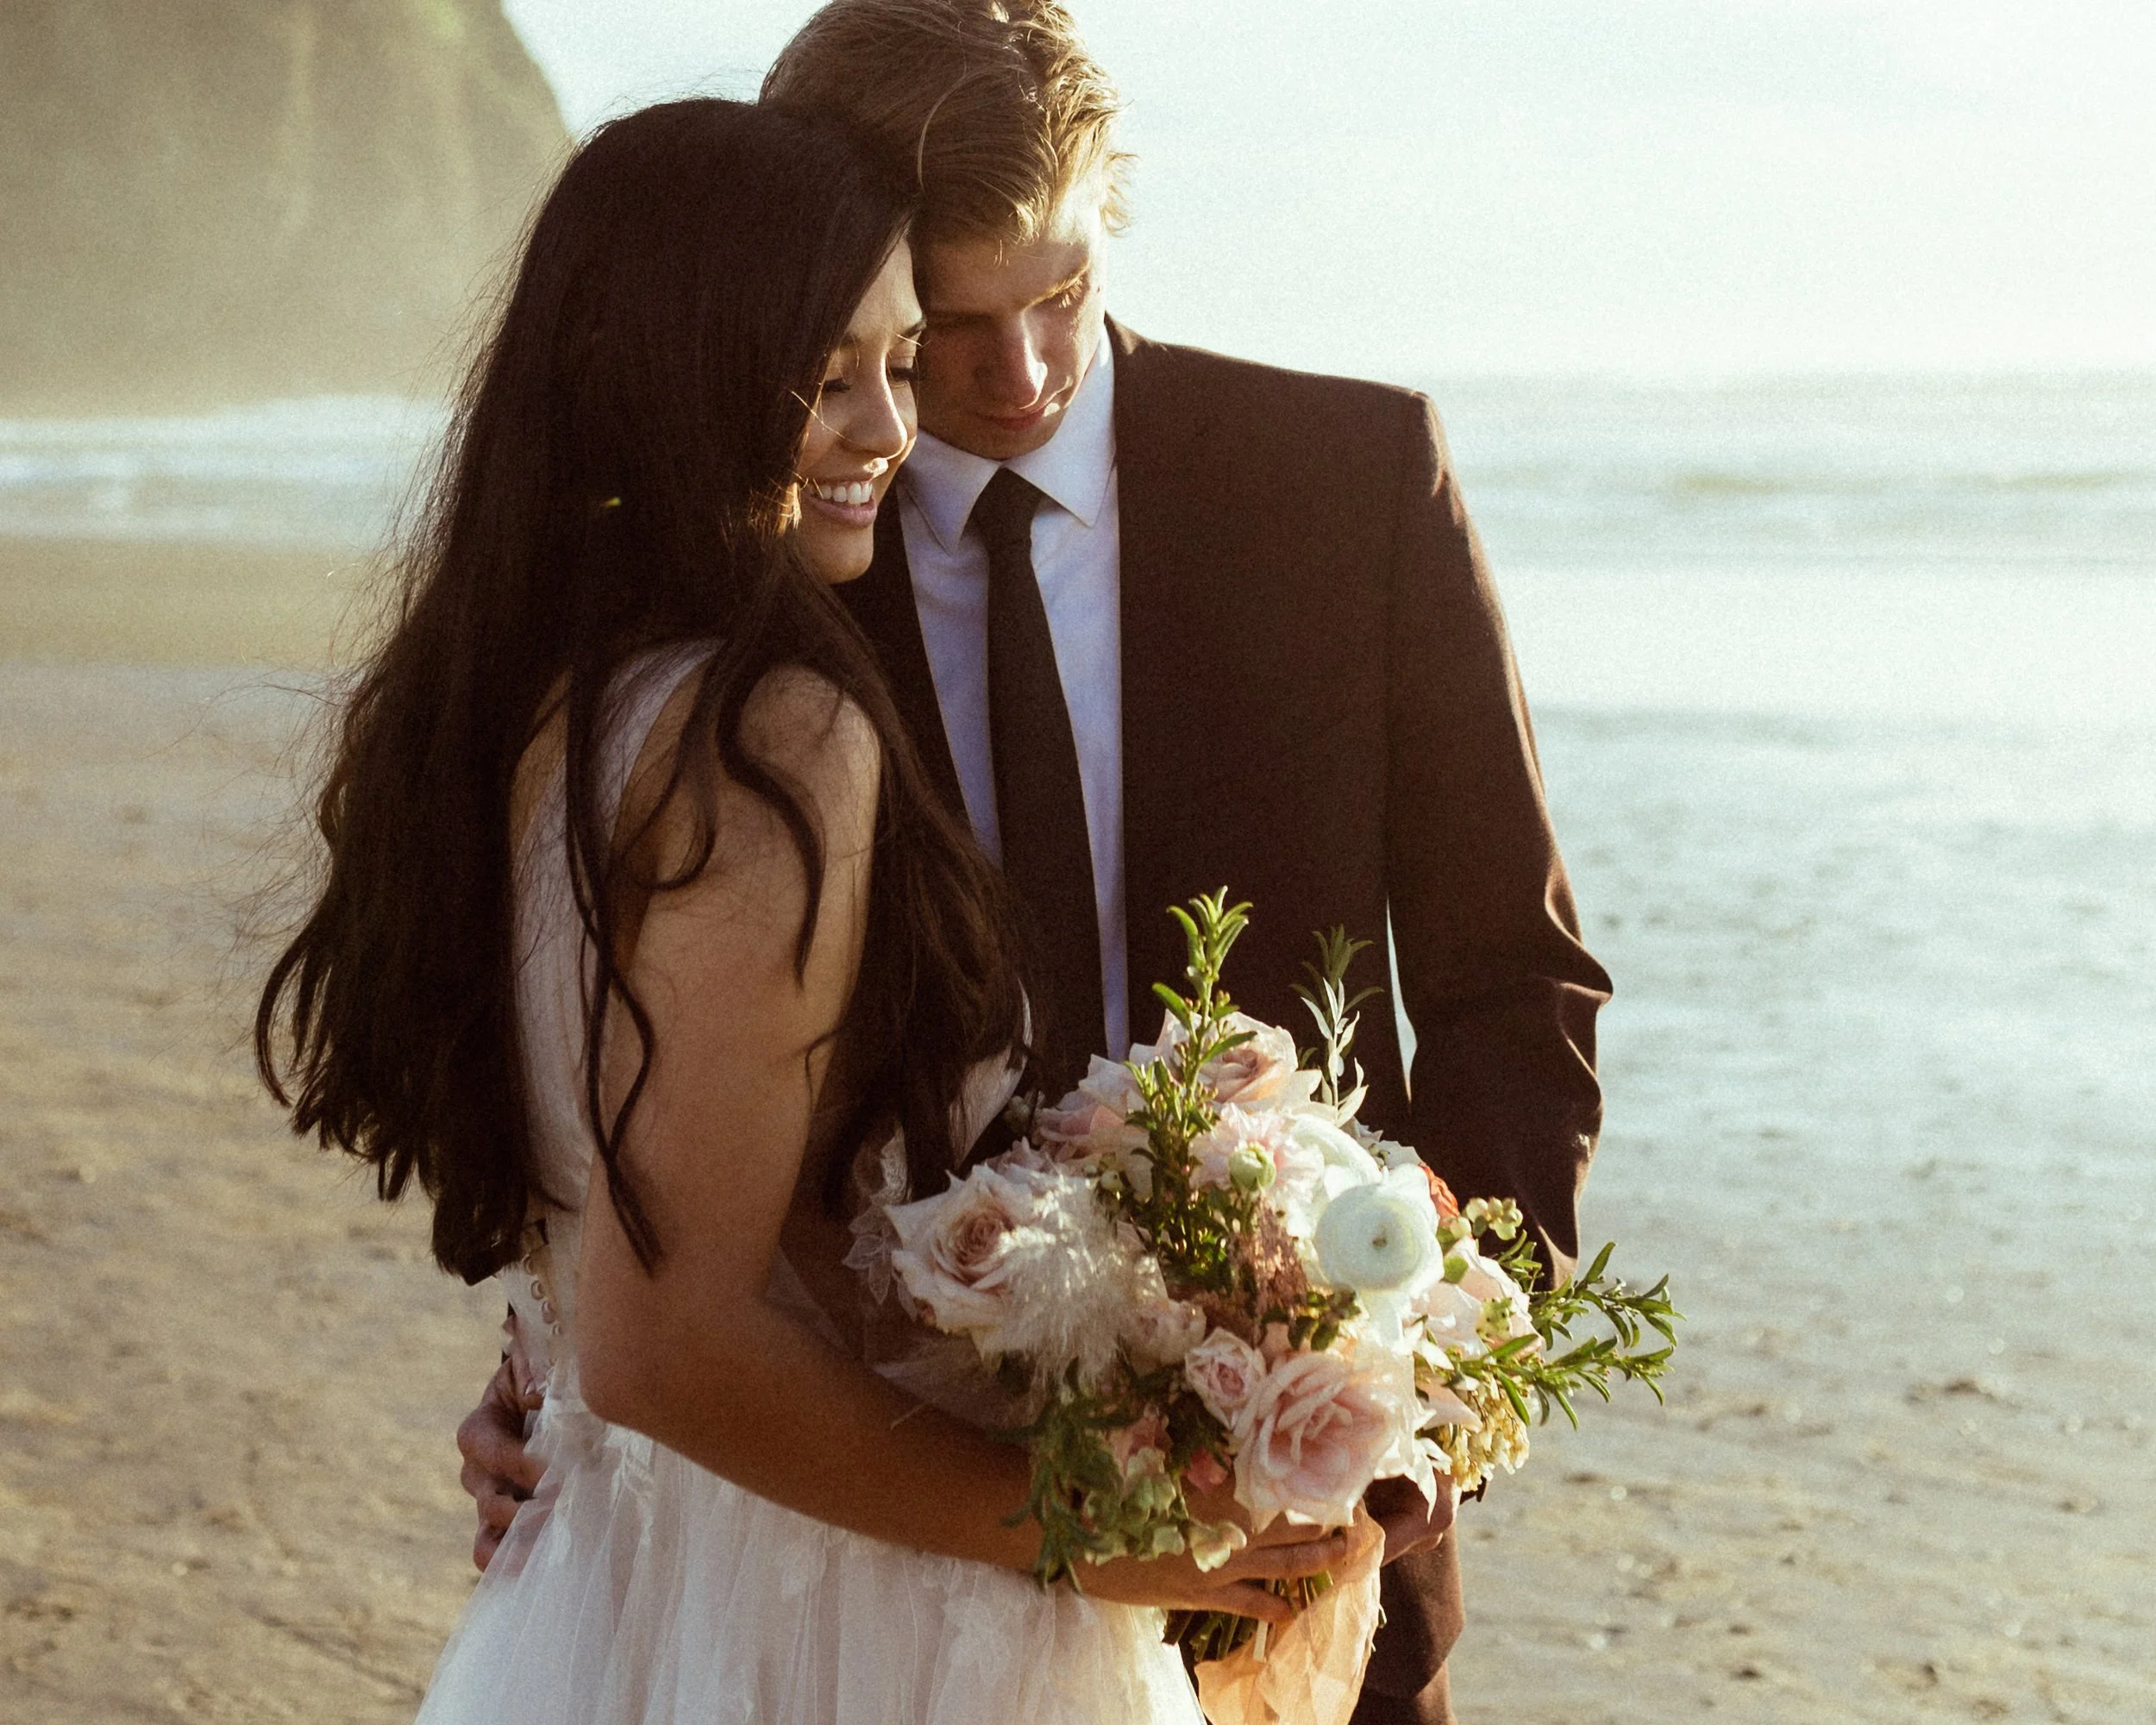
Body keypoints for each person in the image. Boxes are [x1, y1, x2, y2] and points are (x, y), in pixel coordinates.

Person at [461, 6, 1614, 1721]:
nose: (1014, 380)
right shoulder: (749, 590)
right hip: (884, 1541)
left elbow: (1510, 987)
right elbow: (627, 1045)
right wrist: (562, 1368)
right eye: (950, 327)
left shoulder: (1348, 481)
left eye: (1060, 295)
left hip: (1306, 1527)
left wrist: (1432, 1385)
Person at [258, 97, 1354, 1724]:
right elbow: (667, 1338)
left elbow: (632, 1242)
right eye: (821, 377)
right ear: (676, 375)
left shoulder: (528, 696)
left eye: (894, 367)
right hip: (846, 1610)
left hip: (639, 1570)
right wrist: (1077, 1540)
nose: (886, 431)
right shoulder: (768, 735)